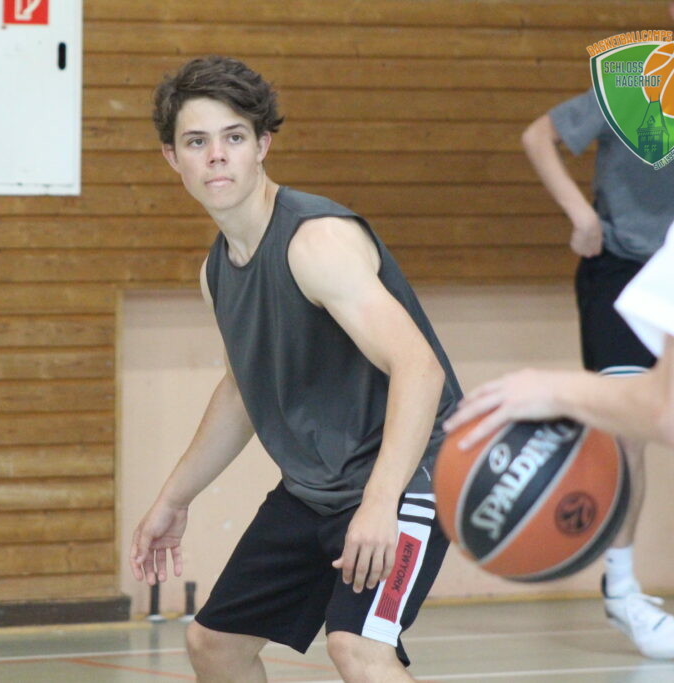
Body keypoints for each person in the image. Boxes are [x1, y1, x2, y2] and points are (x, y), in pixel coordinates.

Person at [129, 56, 462, 682]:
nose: (216, 156)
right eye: (196, 142)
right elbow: (241, 393)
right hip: (316, 490)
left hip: (412, 477)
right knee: (215, 644)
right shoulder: (217, 273)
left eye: (233, 137)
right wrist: (174, 499)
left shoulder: (316, 242)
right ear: (173, 158)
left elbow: (420, 369)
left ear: (262, 145)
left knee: (358, 649)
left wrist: (380, 503)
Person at [446, 0, 674, 654]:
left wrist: (547, 389)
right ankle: (622, 587)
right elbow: (539, 136)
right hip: (626, 269)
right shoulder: (641, 75)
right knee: (627, 431)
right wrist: (580, 214)